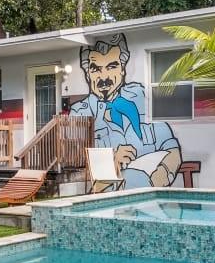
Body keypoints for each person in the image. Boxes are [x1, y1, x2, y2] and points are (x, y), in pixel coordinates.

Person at [67, 33, 183, 190]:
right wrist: (112, 162)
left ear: (122, 70)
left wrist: (160, 177)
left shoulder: (141, 96)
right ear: (88, 74)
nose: (104, 77)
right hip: (110, 196)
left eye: (112, 66)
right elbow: (78, 167)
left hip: (149, 194)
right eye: (96, 69)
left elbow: (172, 148)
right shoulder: (80, 114)